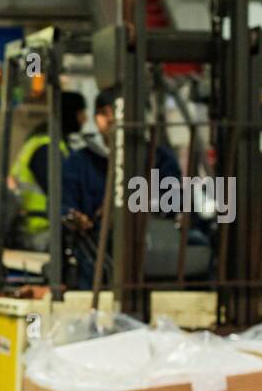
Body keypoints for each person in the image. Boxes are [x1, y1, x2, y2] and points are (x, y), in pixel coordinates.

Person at [61, 86, 185, 287]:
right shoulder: (79, 162)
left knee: (198, 243)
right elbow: (65, 205)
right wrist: (77, 217)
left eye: (117, 112)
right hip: (97, 243)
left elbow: (173, 203)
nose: (111, 119)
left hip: (149, 237)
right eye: (103, 112)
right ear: (95, 118)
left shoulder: (159, 158)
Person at [7, 90, 87, 248]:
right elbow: (62, 192)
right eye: (81, 114)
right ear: (70, 115)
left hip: (44, 225)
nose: (85, 120)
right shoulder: (47, 149)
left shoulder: (50, 143)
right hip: (40, 228)